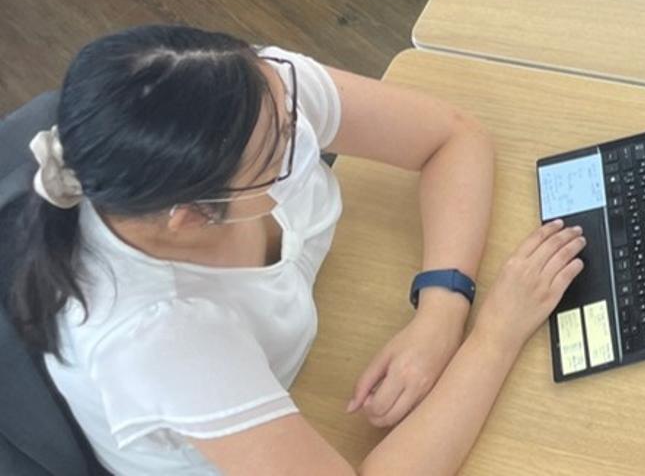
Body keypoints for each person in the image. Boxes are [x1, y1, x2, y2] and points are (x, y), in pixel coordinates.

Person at [3, 26, 586, 475]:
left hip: (314, 341)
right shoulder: (156, 340)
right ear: (192, 217)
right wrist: (495, 335)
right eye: (281, 148)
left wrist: (442, 311)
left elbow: (452, 134)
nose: (299, 124)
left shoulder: (248, 97)